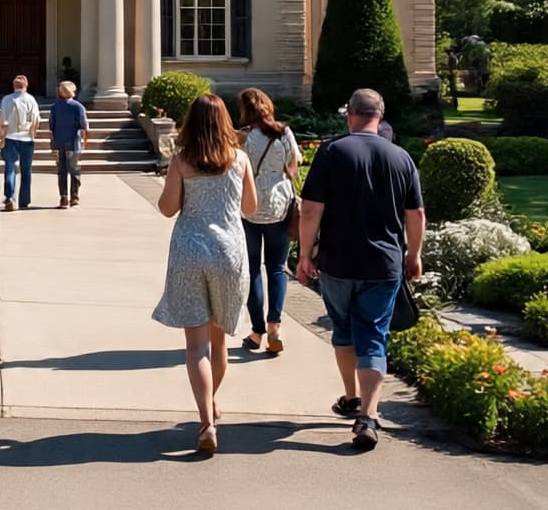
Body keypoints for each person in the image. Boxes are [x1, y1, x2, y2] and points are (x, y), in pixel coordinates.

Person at [296, 88, 425, 451]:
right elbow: (415, 214)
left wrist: (305, 254)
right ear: (380, 116)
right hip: (383, 264)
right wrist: (413, 254)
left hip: (337, 261)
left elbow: (310, 209)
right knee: (373, 336)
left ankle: (351, 398)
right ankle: (367, 415)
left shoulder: (332, 151)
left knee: (344, 329)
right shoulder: (401, 157)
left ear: (349, 113)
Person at [151, 94, 258, 453]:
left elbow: (167, 209)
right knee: (219, 341)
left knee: (195, 346)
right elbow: (251, 207)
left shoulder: (182, 161)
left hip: (189, 250)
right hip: (229, 252)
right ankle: (212, 403)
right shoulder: (239, 159)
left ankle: (206, 421)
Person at [237, 88, 301, 356]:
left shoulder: (243, 136)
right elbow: (295, 164)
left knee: (252, 269)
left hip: (249, 205)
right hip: (279, 203)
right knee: (277, 267)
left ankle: (256, 331)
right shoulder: (283, 132)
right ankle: (274, 325)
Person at [0, 74, 41, 210]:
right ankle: (24, 200)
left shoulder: (6, 99)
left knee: (10, 168)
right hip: (26, 137)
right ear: (26, 86)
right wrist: (33, 132)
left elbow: (3, 117)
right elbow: (36, 119)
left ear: (14, 86)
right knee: (26, 170)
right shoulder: (30, 100)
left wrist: (2, 136)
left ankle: (10, 197)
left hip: (10, 137)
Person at [49, 80, 90, 208]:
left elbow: (51, 126)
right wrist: (85, 141)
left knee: (62, 171)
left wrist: (52, 142)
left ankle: (63, 197)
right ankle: (74, 196)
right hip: (74, 142)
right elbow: (84, 126)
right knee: (74, 170)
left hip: (59, 142)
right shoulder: (78, 106)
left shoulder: (55, 107)